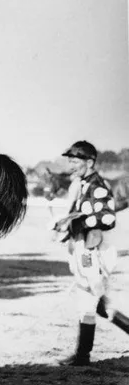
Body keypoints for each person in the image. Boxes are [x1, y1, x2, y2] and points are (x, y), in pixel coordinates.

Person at [51, 140, 129, 366]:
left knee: (88, 303)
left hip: (95, 253)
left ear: (89, 162)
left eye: (75, 161)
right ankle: (82, 355)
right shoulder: (84, 184)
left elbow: (108, 217)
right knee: (101, 307)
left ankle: (82, 356)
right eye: (70, 162)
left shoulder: (97, 186)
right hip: (86, 250)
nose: (71, 166)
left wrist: (77, 221)